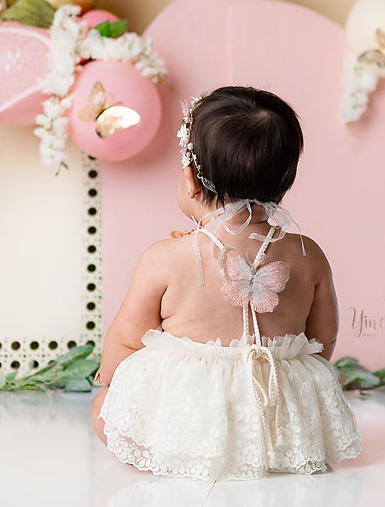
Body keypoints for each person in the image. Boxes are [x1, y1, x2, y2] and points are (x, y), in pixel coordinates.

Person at [91, 86, 361, 480]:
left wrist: (111, 384)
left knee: (105, 415)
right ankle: (273, 451)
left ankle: (183, 456)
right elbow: (323, 339)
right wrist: (298, 395)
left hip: (191, 421)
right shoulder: (308, 255)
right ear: (283, 183)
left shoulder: (166, 258)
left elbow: (127, 339)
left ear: (191, 180)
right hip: (277, 422)